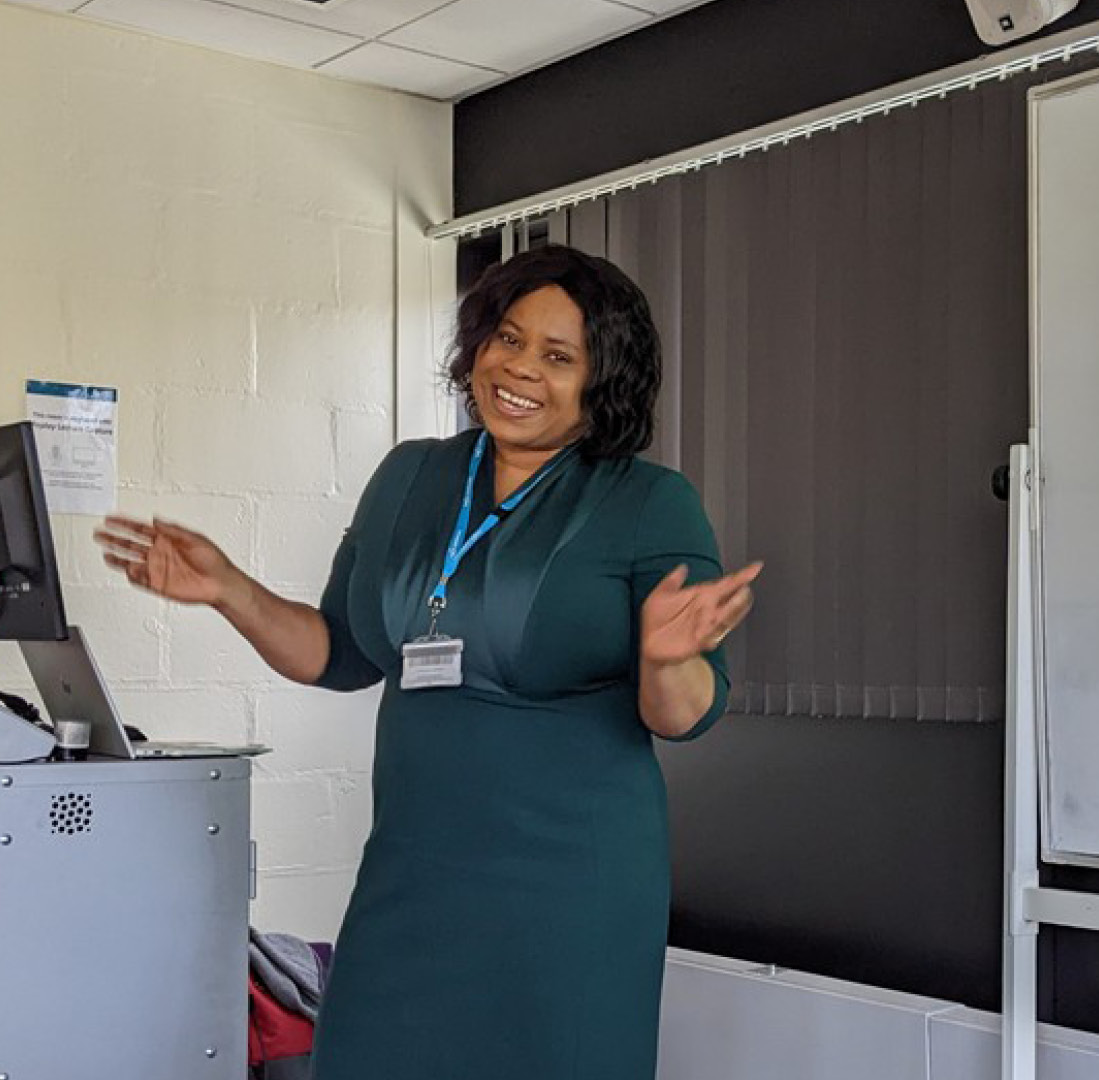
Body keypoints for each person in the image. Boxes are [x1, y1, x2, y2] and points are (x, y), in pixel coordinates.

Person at [95, 244, 761, 1079]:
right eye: (508, 338)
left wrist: (666, 658)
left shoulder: (648, 503)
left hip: (570, 890)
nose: (520, 368)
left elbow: (686, 713)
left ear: (603, 380)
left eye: (558, 356)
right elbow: (339, 652)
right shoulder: (411, 474)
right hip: (414, 870)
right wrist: (230, 589)